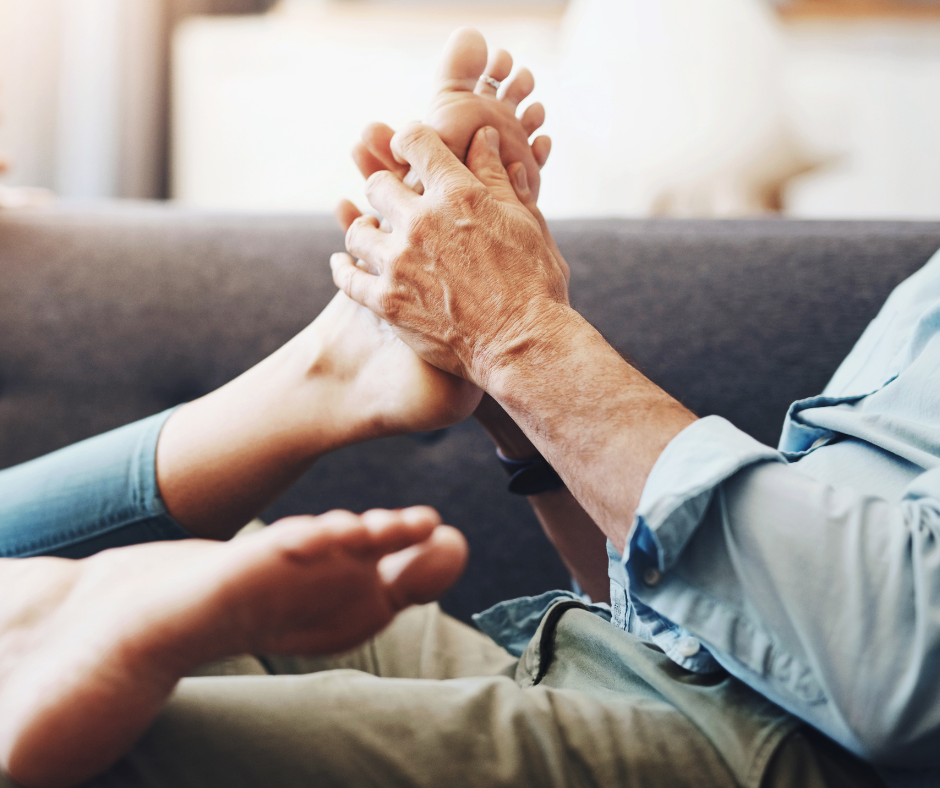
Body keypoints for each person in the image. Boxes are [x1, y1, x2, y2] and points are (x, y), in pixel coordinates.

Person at [0, 26, 926, 788]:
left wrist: (521, 331)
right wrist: (528, 410)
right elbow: (745, 614)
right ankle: (332, 375)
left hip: (779, 754)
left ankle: (332, 378)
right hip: (667, 674)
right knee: (105, 573)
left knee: (106, 724)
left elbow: (895, 672)